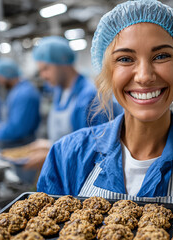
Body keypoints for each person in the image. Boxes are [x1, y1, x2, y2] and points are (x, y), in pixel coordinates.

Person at [36, 1, 173, 239]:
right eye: (124, 59)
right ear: (107, 71)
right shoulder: (67, 157)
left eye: (161, 56)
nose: (144, 76)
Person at [23, 36, 122, 170]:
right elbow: (71, 137)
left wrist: (51, 155)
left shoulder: (90, 97)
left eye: (46, 68)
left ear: (63, 62)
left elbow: (98, 149)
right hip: (65, 167)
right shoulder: (59, 91)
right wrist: (49, 145)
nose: (43, 76)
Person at [0, 58, 40, 149]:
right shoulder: (17, 90)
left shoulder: (24, 94)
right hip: (15, 145)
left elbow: (18, 128)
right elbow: (12, 120)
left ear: (6, 74)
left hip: (21, 146)